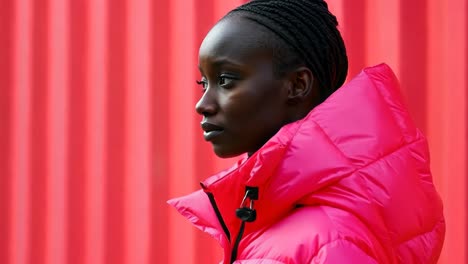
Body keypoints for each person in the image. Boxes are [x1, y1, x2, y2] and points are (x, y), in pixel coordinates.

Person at [168, 0, 445, 263]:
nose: (202, 104)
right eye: (203, 83)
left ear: (298, 84)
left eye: (225, 80)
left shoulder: (330, 238)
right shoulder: (271, 217)